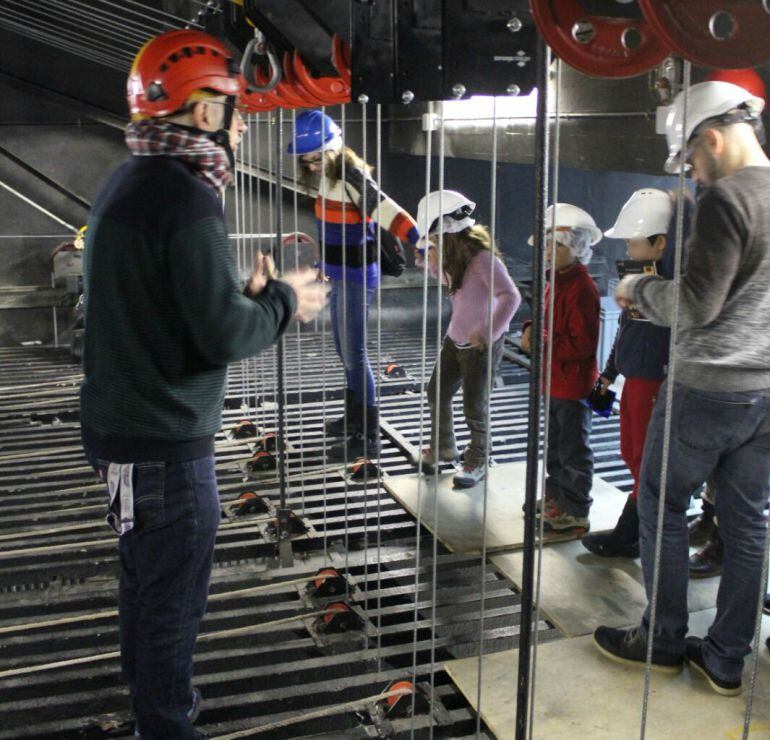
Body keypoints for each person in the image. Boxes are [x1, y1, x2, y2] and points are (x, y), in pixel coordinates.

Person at [80, 30, 327, 739]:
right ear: (199, 112)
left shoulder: (131, 181)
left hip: (122, 435)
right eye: (232, 104)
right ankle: (165, 727)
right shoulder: (188, 197)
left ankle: (150, 713)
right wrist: (281, 303)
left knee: (146, 585)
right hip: (165, 447)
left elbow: (167, 305)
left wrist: (233, 293)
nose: (243, 120)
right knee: (171, 603)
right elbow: (220, 338)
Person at [593, 81, 770, 697]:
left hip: (706, 389)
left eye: (691, 159)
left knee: (663, 506)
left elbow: (695, 306)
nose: (693, 173)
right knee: (748, 524)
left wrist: (635, 292)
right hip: (765, 396)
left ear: (713, 138)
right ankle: (725, 657)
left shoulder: (728, 200)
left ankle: (662, 639)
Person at [289, 110, 420, 462]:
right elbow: (334, 230)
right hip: (338, 273)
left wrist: (418, 238)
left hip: (358, 276)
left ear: (332, 148)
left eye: (316, 158)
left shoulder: (351, 174)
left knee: (354, 353)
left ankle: (368, 436)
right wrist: (322, 267)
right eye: (306, 160)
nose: (311, 165)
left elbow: (385, 208)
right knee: (344, 351)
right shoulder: (326, 177)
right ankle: (353, 418)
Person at [581, 188, 676, 558]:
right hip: (635, 381)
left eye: (635, 243)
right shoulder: (642, 276)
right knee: (630, 452)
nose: (628, 251)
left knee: (645, 460)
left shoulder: (672, 288)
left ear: (661, 242)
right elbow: (626, 330)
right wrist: (610, 372)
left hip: (656, 382)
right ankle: (635, 532)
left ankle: (631, 533)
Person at [414, 190, 521, 488]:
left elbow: (510, 296)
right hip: (455, 337)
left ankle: (478, 458)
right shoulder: (454, 256)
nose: (431, 240)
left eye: (434, 236)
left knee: (475, 406)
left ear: (447, 231)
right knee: (437, 391)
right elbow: (451, 283)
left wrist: (487, 332)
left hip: (480, 344)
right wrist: (430, 263)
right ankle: (445, 447)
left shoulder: (483, 259)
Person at [521, 204, 602, 534]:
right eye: (547, 243)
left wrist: (540, 340)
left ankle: (575, 509)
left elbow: (581, 345)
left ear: (578, 248)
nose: (549, 251)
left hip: (572, 387)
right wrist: (531, 327)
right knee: (555, 446)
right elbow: (548, 322)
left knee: (572, 450)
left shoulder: (582, 289)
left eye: (558, 245)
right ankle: (556, 498)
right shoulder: (557, 280)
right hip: (554, 381)